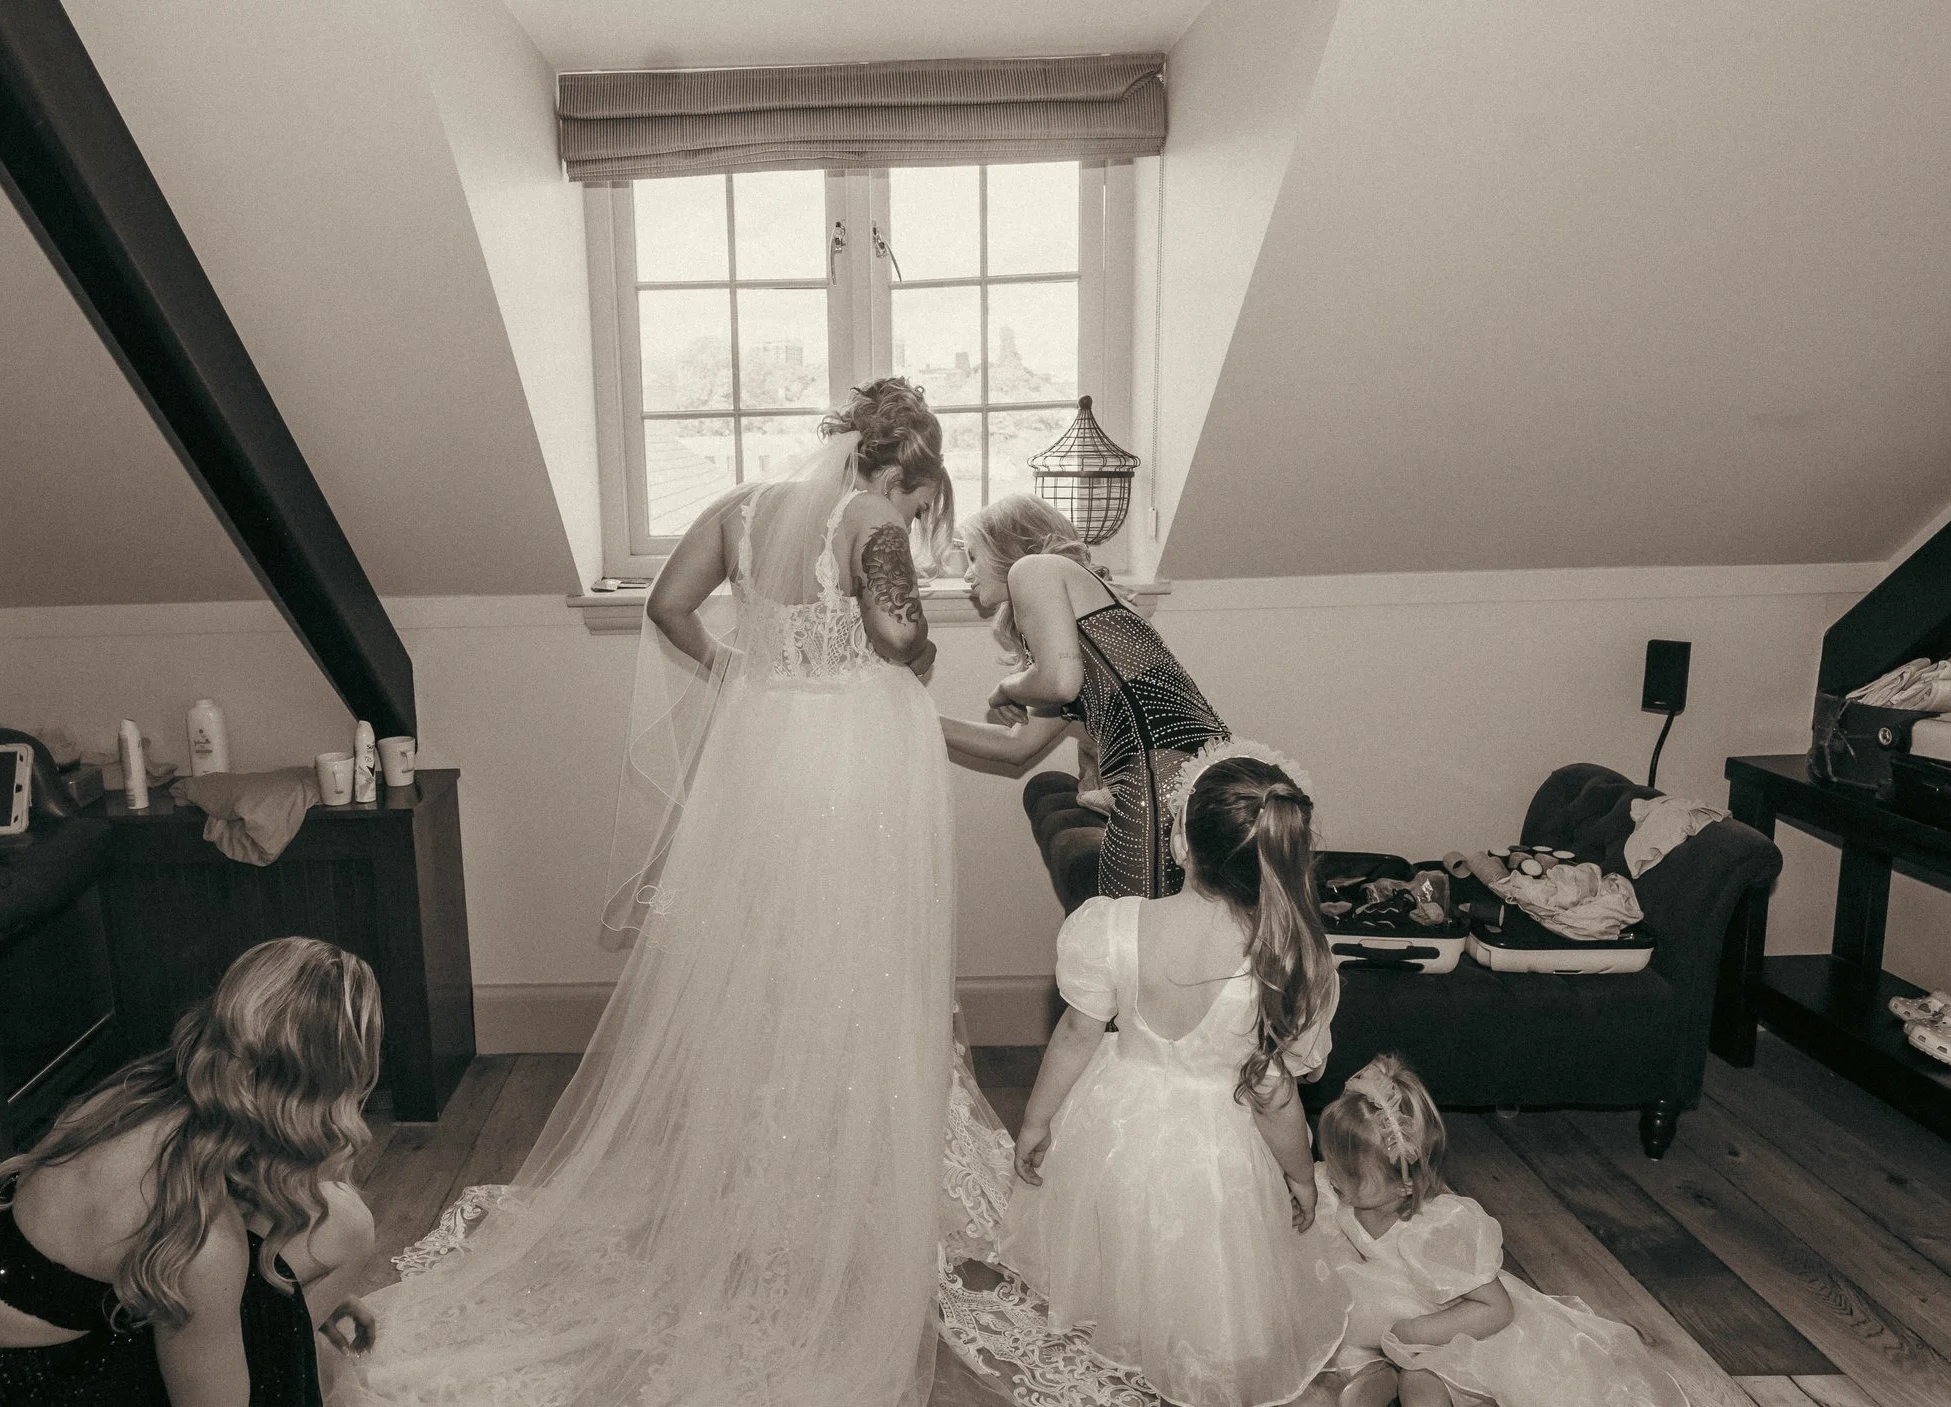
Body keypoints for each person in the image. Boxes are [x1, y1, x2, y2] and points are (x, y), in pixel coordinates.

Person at [342, 379, 1017, 1407]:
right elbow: (896, 638)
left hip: (765, 754)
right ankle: (845, 1194)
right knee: (856, 956)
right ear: (910, 467)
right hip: (849, 759)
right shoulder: (874, 521)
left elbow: (665, 609)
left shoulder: (740, 508)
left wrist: (743, 669)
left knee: (764, 964)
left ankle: (752, 1186)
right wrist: (917, 647)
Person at [984, 744, 1349, 1407]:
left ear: (1179, 838)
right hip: (1216, 1153)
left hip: (1114, 1126)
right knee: (1205, 1272)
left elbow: (1075, 1032)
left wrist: (1037, 1119)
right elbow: (1275, 1098)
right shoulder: (1287, 961)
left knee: (1119, 1242)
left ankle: (1125, 1340)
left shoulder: (1111, 925)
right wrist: (1299, 1171)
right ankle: (1193, 1360)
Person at [0, 937, 385, 1407]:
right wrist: (280, 1327)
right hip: (49, 1387)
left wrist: (280, 1309)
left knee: (342, 1224)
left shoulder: (131, 1101)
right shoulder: (202, 1239)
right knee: (332, 1301)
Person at [1315, 1055, 1688, 1407]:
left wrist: (1415, 1332)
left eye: (1350, 1173)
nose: (1331, 1174)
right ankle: (1371, 1377)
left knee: (1420, 1386)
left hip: (1449, 1327)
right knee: (1337, 1373)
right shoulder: (1340, 1196)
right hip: (1381, 1325)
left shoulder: (1433, 1232)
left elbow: (1498, 1309)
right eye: (1329, 1158)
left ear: (1405, 1186)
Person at [940, 493, 1229, 901]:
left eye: (973, 556)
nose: (967, 575)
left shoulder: (1033, 568)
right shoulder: (1075, 616)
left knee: (1132, 933)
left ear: (1011, 545)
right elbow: (1016, 745)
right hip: (1193, 771)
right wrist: (925, 723)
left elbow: (1059, 683)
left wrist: (1005, 688)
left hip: (1160, 775)